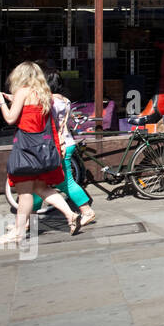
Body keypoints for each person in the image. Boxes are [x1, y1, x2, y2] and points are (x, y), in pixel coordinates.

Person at [0, 62, 80, 244]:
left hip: (26, 148)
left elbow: (11, 118)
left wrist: (0, 102)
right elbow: (31, 109)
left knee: (24, 192)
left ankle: (18, 232)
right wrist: (8, 97)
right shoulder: (43, 94)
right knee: (40, 187)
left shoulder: (22, 91)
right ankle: (71, 214)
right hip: (42, 148)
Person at [20, 72, 98, 228]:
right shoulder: (65, 100)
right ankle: (29, 220)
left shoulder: (50, 102)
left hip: (57, 145)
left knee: (64, 183)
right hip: (66, 142)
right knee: (40, 182)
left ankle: (87, 211)